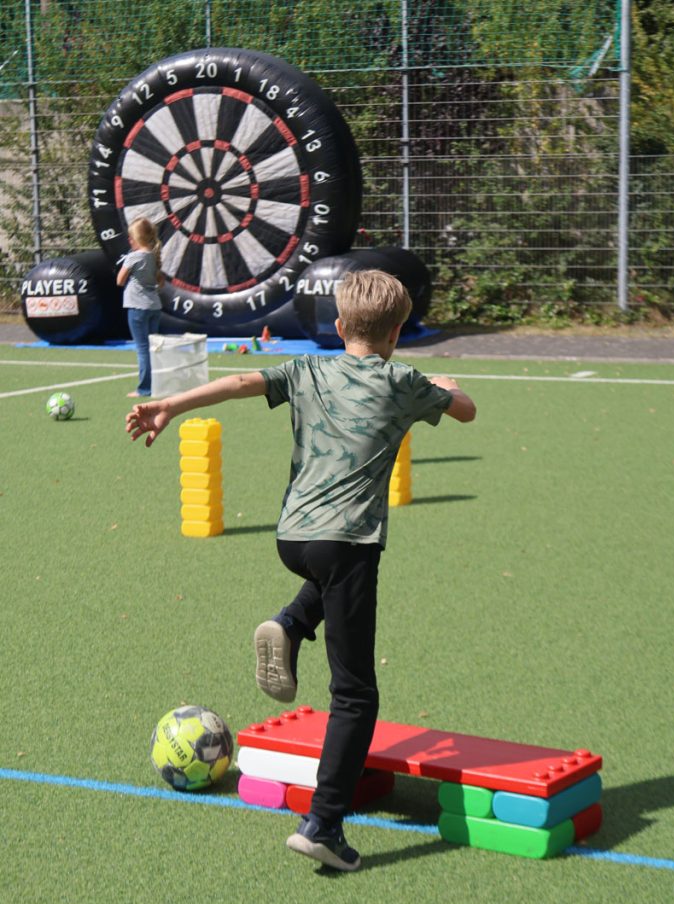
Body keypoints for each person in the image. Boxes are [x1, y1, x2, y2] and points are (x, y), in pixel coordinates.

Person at [125, 269, 476, 872]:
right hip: (347, 543)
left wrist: (170, 406)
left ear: (339, 328)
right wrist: (444, 384)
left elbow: (239, 382)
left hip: (292, 537)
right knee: (356, 695)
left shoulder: (307, 369)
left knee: (327, 584)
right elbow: (466, 411)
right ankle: (325, 824)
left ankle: (290, 622)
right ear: (397, 333)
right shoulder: (403, 381)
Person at [116, 217, 164, 398]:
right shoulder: (153, 255)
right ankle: (156, 384)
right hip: (154, 306)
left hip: (137, 306)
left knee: (143, 349)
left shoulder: (134, 256)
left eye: (130, 238)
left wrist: (130, 270)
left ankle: (144, 389)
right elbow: (161, 281)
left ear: (136, 239)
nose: (129, 241)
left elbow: (119, 281)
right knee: (153, 348)